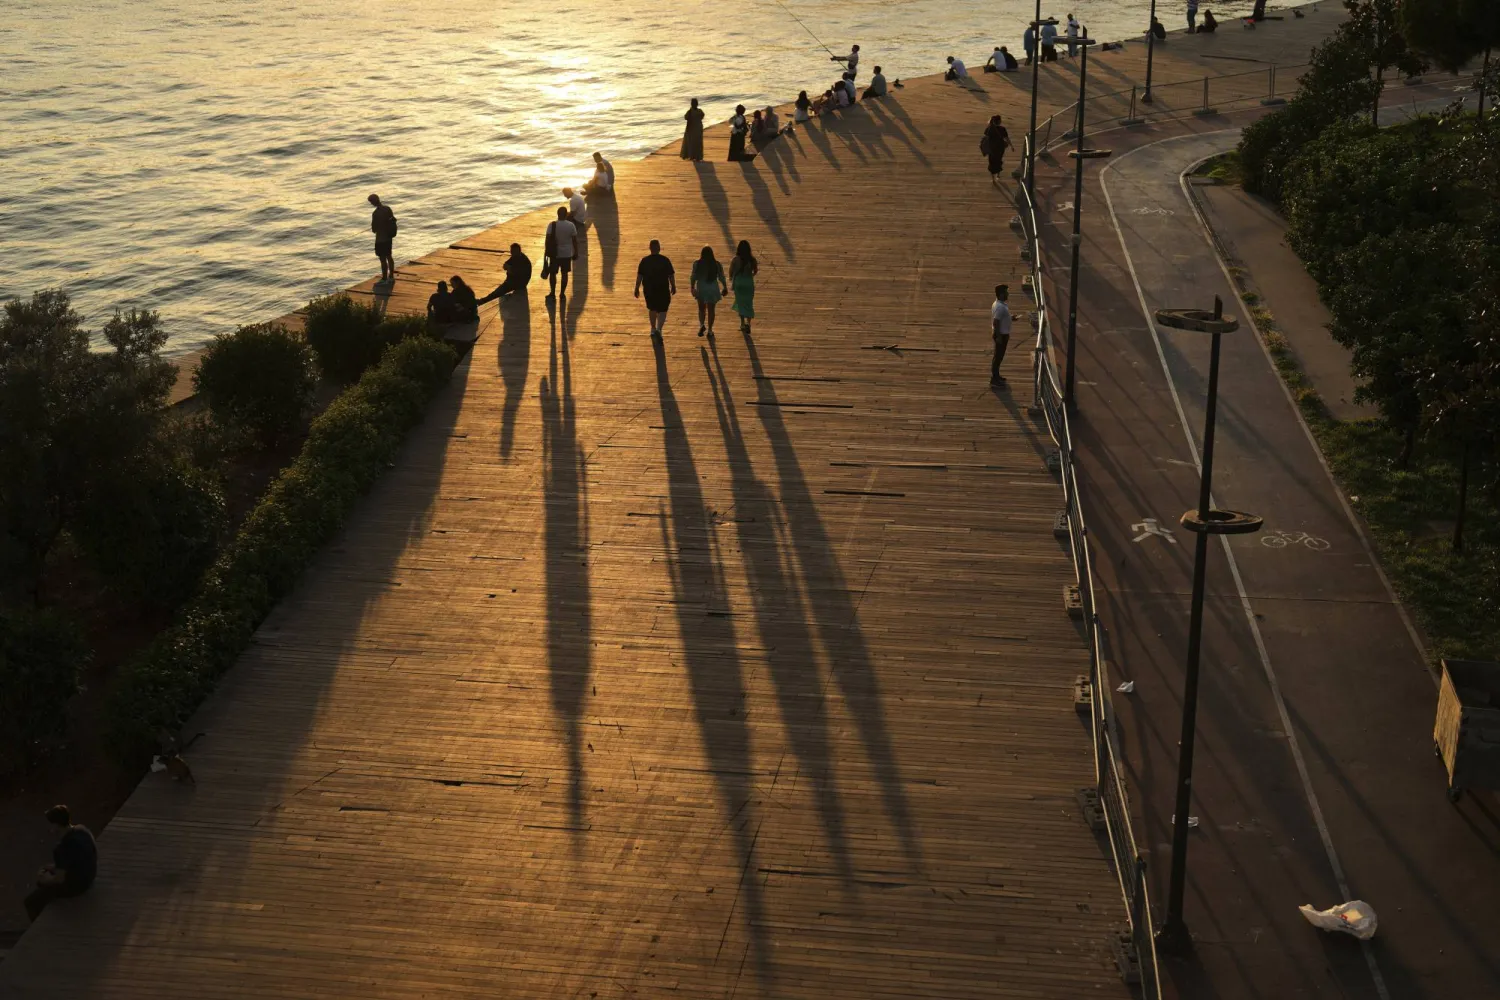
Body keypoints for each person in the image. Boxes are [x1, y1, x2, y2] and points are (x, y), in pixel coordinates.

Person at [24, 805, 97, 921]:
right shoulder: (82, 831)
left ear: (56, 826)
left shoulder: (62, 848)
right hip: (89, 877)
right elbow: (75, 860)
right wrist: (54, 867)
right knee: (45, 883)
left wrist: (45, 879)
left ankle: (39, 924)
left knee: (30, 901)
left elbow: (60, 879)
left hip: (77, 886)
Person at [634, 239, 677, 338]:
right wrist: (673, 286)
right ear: (659, 248)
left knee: (652, 308)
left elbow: (640, 275)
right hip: (662, 288)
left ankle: (653, 329)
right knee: (663, 309)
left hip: (649, 289)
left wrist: (636, 287)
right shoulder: (665, 260)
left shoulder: (645, 261)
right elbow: (671, 275)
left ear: (650, 248)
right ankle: (659, 329)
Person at [690, 245, 728, 337]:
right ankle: (710, 330)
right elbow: (721, 277)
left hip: (701, 288)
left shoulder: (697, 264)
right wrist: (725, 286)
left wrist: (692, 287)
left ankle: (702, 325)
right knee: (711, 310)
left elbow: (693, 276)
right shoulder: (716, 264)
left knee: (701, 309)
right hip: (712, 288)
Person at [543, 206, 578, 298]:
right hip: (567, 254)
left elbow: (547, 239)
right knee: (564, 274)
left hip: (555, 254)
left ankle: (552, 293)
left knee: (553, 274)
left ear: (557, 214)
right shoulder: (571, 225)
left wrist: (546, 251)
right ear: (566, 214)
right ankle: (562, 293)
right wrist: (576, 252)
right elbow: (574, 240)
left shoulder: (552, 225)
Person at [729, 240, 758, 335]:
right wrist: (750, 275)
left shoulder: (735, 259)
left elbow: (731, 271)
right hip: (748, 282)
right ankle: (748, 323)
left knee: (740, 303)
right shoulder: (752, 260)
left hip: (739, 283)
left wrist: (732, 279)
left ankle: (742, 323)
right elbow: (755, 271)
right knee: (749, 303)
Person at [368, 193, 397, 284]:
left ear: (373, 202)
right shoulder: (388, 209)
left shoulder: (375, 213)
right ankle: (391, 276)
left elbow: (374, 229)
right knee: (389, 256)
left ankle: (384, 278)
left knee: (382, 259)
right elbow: (392, 220)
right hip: (389, 237)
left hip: (380, 239)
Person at [990, 284, 1013, 385]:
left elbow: (1001, 318)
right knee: (998, 357)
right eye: (1006, 292)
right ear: (1001, 294)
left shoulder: (999, 304)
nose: (1008, 294)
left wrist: (1011, 318)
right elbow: (996, 322)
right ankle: (994, 379)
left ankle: (997, 376)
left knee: (999, 357)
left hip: (1002, 334)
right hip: (1001, 335)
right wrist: (999, 336)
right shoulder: (1000, 307)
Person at [982, 114, 1012, 182]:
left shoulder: (989, 129)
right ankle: (998, 175)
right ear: (999, 121)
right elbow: (1007, 138)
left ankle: (993, 178)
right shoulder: (1002, 129)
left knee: (991, 162)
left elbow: (985, 138)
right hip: (1000, 148)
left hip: (991, 148)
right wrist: (1011, 146)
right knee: (999, 160)